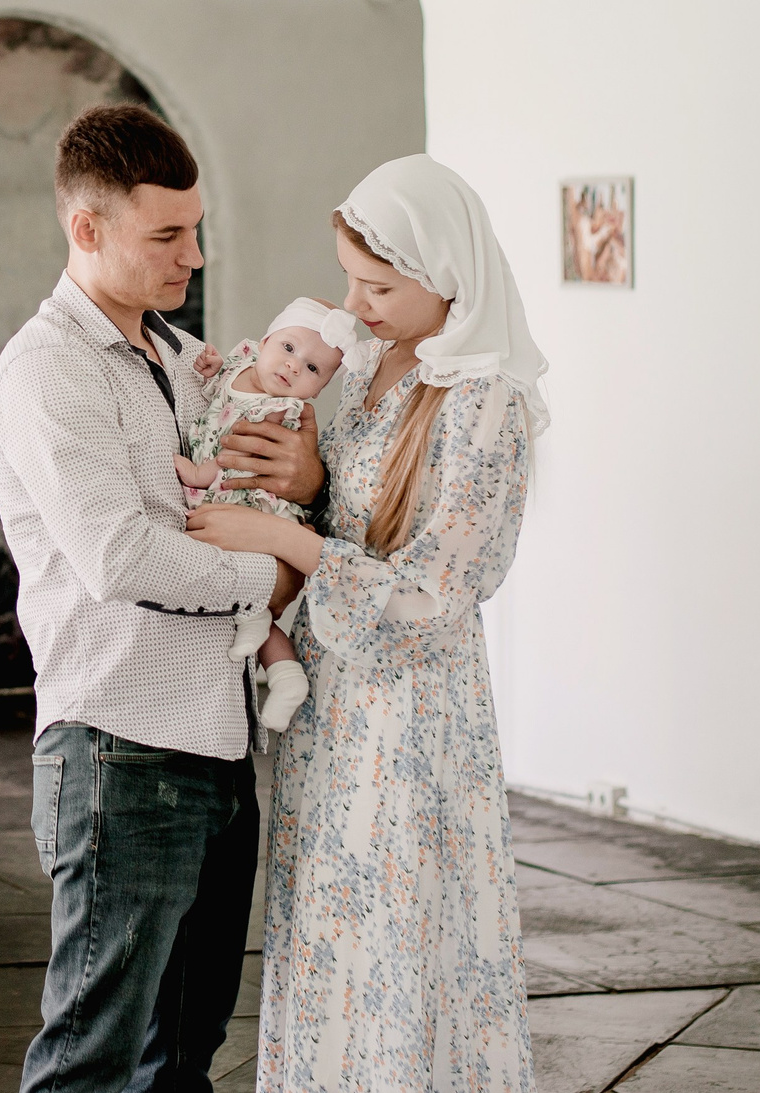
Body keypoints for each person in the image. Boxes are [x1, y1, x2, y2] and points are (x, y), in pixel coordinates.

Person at [183, 154, 548, 1091]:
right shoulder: (375, 365)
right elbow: (361, 513)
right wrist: (306, 486)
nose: (356, 303)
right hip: (335, 713)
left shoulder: (485, 399)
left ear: (448, 275)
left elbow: (434, 593)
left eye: (378, 284)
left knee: (398, 941)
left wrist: (278, 535)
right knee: (327, 940)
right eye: (349, 278)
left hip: (413, 722)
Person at [0, 104, 324, 1093]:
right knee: (90, 1065)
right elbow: (120, 557)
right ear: (85, 228)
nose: (194, 254)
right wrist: (275, 571)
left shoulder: (179, 358)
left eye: (197, 228)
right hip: (119, 751)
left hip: (216, 750)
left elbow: (240, 492)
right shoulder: (49, 371)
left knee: (180, 1063)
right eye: (166, 234)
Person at [172, 297, 363, 734]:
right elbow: (216, 389)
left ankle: (272, 655)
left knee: (243, 588)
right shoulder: (242, 361)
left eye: (314, 369)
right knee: (248, 602)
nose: (295, 367)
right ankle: (286, 675)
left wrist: (202, 472)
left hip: (252, 504)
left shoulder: (282, 412)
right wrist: (212, 369)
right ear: (264, 342)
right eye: (290, 349)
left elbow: (242, 452)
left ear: (317, 391)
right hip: (232, 505)